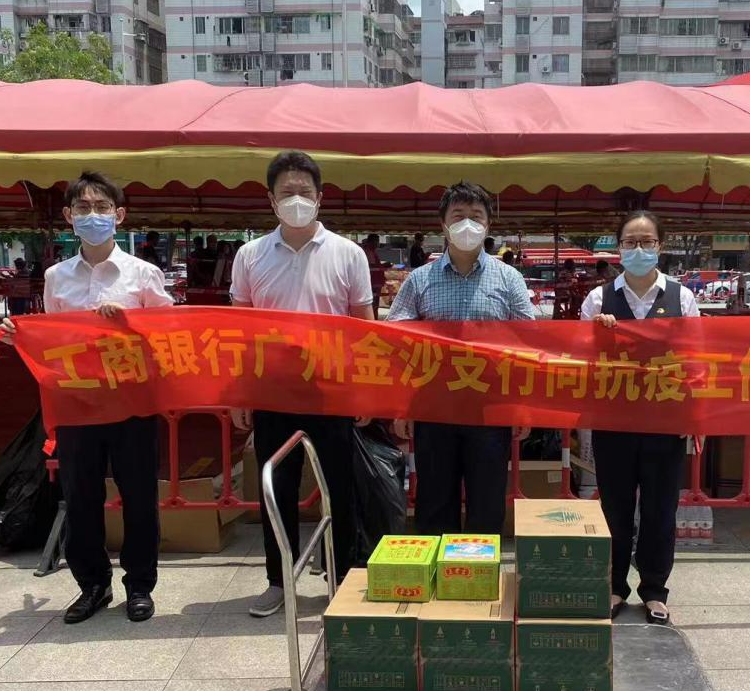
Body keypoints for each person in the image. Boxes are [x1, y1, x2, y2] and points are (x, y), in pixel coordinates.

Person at [0, 171, 173, 625]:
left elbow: (169, 336)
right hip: (77, 403)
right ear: (68, 216)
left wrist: (129, 324)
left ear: (119, 215)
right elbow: (52, 339)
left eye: (101, 207)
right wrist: (21, 335)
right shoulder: (56, 277)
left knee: (139, 496)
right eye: (83, 208)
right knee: (80, 497)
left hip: (132, 402)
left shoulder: (143, 274)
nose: (92, 215)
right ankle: (92, 584)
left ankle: (140, 585)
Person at [230, 149, 373, 618]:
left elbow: (363, 326)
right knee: (277, 488)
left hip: (331, 391)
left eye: (304, 192)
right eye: (286, 192)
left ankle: (341, 575)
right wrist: (240, 392)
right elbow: (239, 330)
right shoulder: (250, 255)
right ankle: (279, 580)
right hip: (273, 390)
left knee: (339, 488)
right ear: (271, 200)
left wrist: (365, 389)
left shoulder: (348, 254)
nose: (296, 200)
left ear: (320, 197)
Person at [388, 181, 536, 535]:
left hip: (491, 408)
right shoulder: (419, 280)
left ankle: (478, 567)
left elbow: (529, 346)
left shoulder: (509, 279)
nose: (467, 223)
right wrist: (402, 406)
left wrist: (523, 406)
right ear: (443, 225)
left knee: (487, 502)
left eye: (476, 216)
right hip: (434, 407)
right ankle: (441, 566)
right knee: (434, 502)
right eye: (458, 215)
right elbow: (397, 344)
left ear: (487, 225)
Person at [583, 211, 699, 626]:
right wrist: (597, 333)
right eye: (630, 242)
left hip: (665, 422)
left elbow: (694, 359)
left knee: (660, 510)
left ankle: (654, 589)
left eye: (646, 241)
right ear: (618, 248)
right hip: (614, 422)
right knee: (614, 508)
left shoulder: (682, 298)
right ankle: (614, 585)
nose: (638, 249)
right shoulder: (598, 299)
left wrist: (693, 417)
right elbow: (581, 359)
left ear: (659, 246)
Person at [362, 233, 389, 313]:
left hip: (376, 282)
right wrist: (383, 266)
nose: (378, 243)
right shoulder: (368, 252)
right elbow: (371, 266)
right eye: (376, 241)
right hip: (373, 282)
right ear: (371, 242)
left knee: (375, 304)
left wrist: (382, 266)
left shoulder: (373, 252)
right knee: (373, 304)